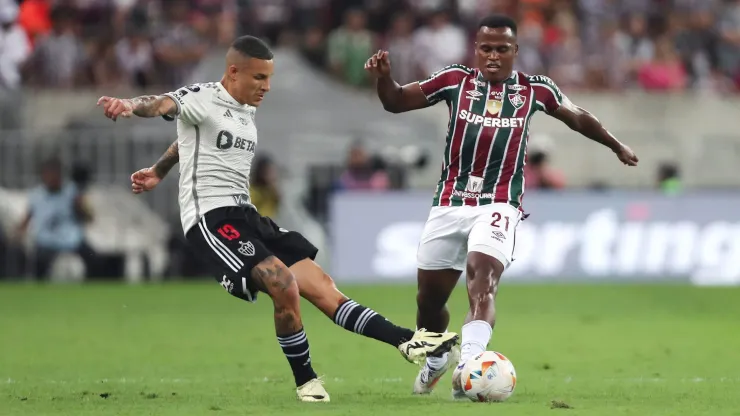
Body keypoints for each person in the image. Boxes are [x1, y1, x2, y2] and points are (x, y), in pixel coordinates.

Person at [96, 35, 458, 403]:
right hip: (210, 217)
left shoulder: (244, 110)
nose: (266, 87)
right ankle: (307, 382)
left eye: (269, 78)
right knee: (282, 282)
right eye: (258, 78)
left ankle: (407, 341)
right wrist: (127, 104)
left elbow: (184, 140)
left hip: (246, 215)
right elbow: (158, 104)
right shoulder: (201, 97)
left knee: (320, 285)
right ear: (233, 72)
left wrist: (158, 170)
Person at [364, 15, 639, 398]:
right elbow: (395, 102)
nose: (493, 56)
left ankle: (469, 366)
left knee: (483, 282)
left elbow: (578, 118)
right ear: (476, 49)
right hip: (450, 202)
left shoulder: (533, 90)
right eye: (486, 48)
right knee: (428, 302)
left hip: (499, 204)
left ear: (515, 52)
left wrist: (615, 145)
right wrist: (383, 78)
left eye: (501, 49)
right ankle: (438, 356)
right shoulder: (454, 80)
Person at [16, 158, 95, 279]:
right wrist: (17, 235)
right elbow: (26, 219)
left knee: (93, 258)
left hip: (71, 239)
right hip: (46, 241)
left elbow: (88, 217)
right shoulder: (36, 195)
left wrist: (80, 206)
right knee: (36, 262)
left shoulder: (72, 192)